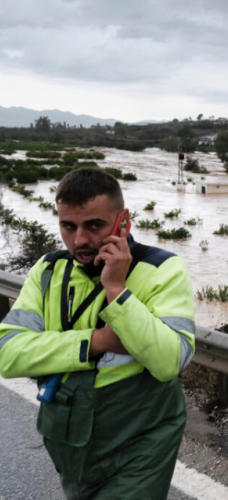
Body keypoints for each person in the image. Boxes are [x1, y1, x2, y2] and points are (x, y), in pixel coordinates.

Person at [0, 168, 196, 499]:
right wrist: (96, 341)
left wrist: (117, 289)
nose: (80, 241)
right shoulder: (48, 272)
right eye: (68, 226)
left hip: (140, 439)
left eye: (94, 225)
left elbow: (169, 361)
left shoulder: (162, 269)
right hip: (68, 438)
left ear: (123, 222)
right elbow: (7, 354)